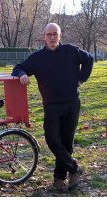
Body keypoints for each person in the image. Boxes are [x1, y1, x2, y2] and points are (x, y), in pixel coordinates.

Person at [11, 23, 94, 192]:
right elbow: (18, 68)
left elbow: (89, 59)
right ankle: (74, 168)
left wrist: (82, 78)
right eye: (49, 34)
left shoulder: (70, 50)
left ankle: (59, 178)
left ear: (60, 35)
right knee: (52, 139)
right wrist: (23, 74)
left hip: (72, 103)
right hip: (51, 105)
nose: (52, 37)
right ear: (44, 37)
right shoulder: (38, 57)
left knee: (67, 141)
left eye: (55, 34)